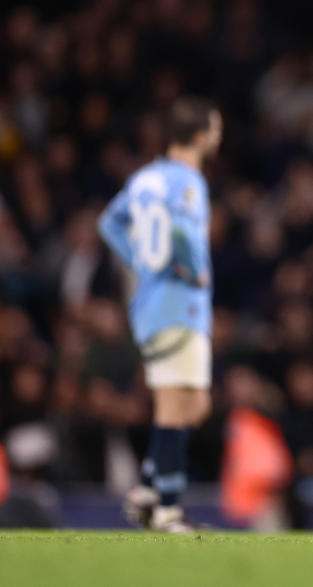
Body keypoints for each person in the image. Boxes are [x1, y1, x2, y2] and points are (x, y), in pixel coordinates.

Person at [98, 97, 222, 533]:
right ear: (203, 134)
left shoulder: (144, 178)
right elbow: (182, 230)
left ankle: (149, 489)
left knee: (196, 404)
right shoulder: (188, 181)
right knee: (175, 407)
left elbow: (110, 223)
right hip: (179, 304)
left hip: (151, 304)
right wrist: (194, 269)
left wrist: (141, 260)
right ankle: (167, 512)